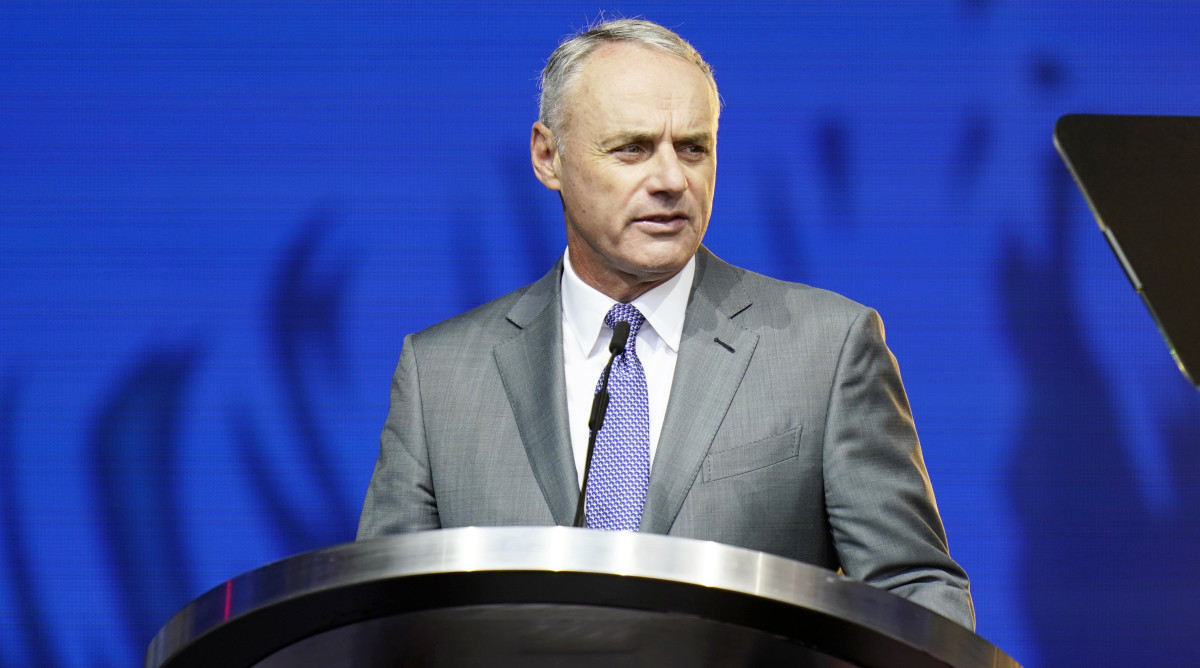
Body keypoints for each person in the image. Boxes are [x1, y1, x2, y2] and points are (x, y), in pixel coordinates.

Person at [357, 18, 974, 629]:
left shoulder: (826, 348)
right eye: (632, 148)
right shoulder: (439, 376)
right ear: (548, 157)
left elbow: (913, 589)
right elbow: (380, 618)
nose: (672, 180)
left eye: (693, 149)